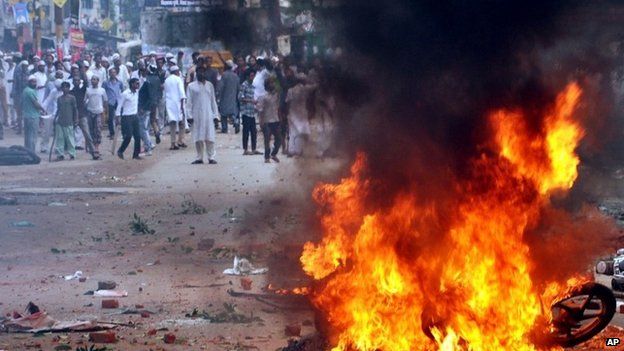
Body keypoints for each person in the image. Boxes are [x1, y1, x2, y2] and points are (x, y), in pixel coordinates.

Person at [187, 67, 218, 165]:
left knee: (210, 136)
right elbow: (189, 102)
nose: (201, 74)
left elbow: (213, 101)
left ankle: (211, 157)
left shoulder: (210, 85)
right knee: (198, 136)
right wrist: (189, 115)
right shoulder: (191, 86)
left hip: (208, 114)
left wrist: (216, 116)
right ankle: (199, 157)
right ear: (196, 73)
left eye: (203, 72)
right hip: (197, 114)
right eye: (199, 72)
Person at [286, 74, 315, 156]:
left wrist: (288, 113)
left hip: (292, 113)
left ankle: (291, 151)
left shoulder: (290, 90)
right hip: (301, 114)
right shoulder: (305, 89)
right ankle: (300, 151)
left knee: (292, 133)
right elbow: (315, 86)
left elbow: (288, 103)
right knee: (304, 132)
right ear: (303, 81)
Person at [70, 76, 97, 159]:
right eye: (75, 80)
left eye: (78, 80)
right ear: (73, 82)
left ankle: (93, 152)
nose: (77, 82)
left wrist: (82, 70)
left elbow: (86, 81)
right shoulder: (71, 92)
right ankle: (72, 153)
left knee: (87, 135)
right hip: (73, 116)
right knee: (70, 136)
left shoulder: (82, 90)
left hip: (82, 115)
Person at [116, 78, 142, 160]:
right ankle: (120, 150)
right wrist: (118, 116)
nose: (138, 85)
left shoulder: (136, 92)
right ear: (132, 84)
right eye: (136, 83)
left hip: (135, 115)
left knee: (138, 136)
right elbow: (119, 105)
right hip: (127, 117)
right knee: (129, 136)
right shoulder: (125, 94)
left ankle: (136, 154)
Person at [257, 79, 282, 163]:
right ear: (267, 86)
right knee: (267, 140)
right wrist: (261, 121)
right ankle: (267, 157)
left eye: (273, 83)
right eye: (271, 83)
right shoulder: (263, 97)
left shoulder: (277, 95)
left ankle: (274, 153)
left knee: (279, 139)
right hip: (267, 121)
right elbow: (260, 110)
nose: (273, 84)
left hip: (276, 120)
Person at [53, 82, 78, 161]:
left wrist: (76, 119)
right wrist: (55, 118)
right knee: (60, 139)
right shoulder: (59, 98)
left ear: (69, 88)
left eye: (66, 87)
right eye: (63, 87)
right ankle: (60, 154)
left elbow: (75, 109)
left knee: (70, 138)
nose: (65, 89)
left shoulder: (72, 98)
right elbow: (58, 109)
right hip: (60, 121)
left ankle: (72, 154)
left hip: (69, 121)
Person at [238, 69, 261, 155]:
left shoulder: (253, 85)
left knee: (254, 131)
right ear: (247, 76)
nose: (253, 77)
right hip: (245, 111)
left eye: (253, 76)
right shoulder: (244, 85)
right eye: (251, 76)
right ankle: (245, 149)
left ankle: (254, 148)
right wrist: (251, 101)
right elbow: (240, 97)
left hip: (252, 112)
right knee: (246, 131)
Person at [164, 65, 186, 150]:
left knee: (172, 123)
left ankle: (173, 143)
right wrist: (182, 106)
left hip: (169, 104)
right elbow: (181, 93)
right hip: (178, 103)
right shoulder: (178, 79)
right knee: (182, 122)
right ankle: (180, 140)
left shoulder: (166, 80)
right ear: (177, 71)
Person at [84, 76, 108, 157]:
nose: (93, 81)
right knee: (90, 130)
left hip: (99, 112)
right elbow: (85, 100)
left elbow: (105, 101)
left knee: (97, 130)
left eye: (95, 79)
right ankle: (91, 147)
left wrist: (105, 112)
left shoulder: (102, 90)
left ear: (98, 81)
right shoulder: (88, 90)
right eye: (92, 79)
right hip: (90, 111)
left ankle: (96, 147)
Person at [21, 76, 46, 152]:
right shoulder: (30, 91)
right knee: (33, 136)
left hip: (26, 116)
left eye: (35, 82)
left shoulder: (25, 90)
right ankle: (31, 152)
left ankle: (27, 151)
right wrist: (43, 109)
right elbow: (35, 103)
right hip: (33, 116)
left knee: (27, 136)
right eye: (32, 82)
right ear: (29, 82)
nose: (34, 83)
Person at [217, 60, 240, 133]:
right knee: (233, 113)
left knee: (223, 114)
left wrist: (218, 95)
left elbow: (220, 87)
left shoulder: (224, 75)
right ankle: (236, 122)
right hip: (233, 97)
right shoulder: (235, 76)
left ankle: (224, 128)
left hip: (224, 97)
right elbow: (238, 87)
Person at [102, 67, 123, 139]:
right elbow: (103, 91)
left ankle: (120, 132)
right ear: (109, 74)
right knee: (110, 119)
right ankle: (112, 133)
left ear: (116, 73)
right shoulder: (106, 83)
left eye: (114, 72)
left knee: (119, 117)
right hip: (110, 102)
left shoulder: (119, 82)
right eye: (111, 72)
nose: (112, 74)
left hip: (118, 101)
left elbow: (122, 91)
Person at [144, 64, 163, 143]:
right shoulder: (157, 79)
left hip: (147, 102)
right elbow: (160, 91)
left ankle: (147, 137)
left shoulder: (147, 79)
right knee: (153, 119)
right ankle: (157, 131)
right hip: (155, 101)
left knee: (145, 120)